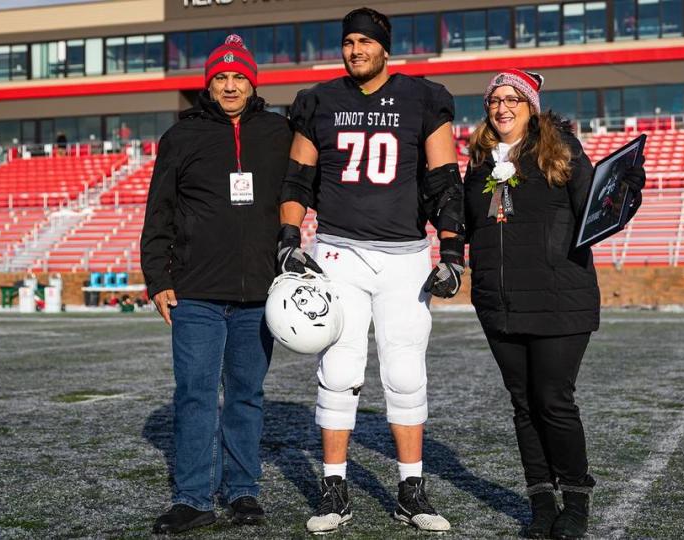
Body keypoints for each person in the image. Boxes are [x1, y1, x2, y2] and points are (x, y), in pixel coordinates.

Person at [278, 7, 464, 534]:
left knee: (405, 375)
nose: (355, 49)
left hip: (405, 256)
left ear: (385, 47)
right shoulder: (319, 101)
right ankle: (334, 489)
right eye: (348, 41)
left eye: (366, 41)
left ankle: (411, 490)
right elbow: (297, 179)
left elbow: (444, 181)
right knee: (339, 373)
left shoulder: (423, 98)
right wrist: (289, 239)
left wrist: (452, 251)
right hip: (338, 253)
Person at [462, 70, 645, 538]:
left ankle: (576, 501)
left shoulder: (561, 149)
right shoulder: (480, 160)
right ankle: (541, 500)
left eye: (513, 100)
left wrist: (626, 187)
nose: (502, 108)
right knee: (523, 404)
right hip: (498, 302)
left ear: (531, 106)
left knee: (554, 401)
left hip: (559, 299)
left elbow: (597, 212)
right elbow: (467, 222)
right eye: (495, 100)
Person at [140, 34, 292, 535]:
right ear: (209, 83)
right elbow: (158, 211)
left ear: (253, 82)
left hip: (259, 295)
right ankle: (192, 497)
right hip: (196, 293)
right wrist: (158, 279)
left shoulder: (278, 132)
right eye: (221, 77)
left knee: (247, 395)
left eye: (239, 77)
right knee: (196, 395)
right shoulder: (180, 137)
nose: (230, 85)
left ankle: (243, 491)